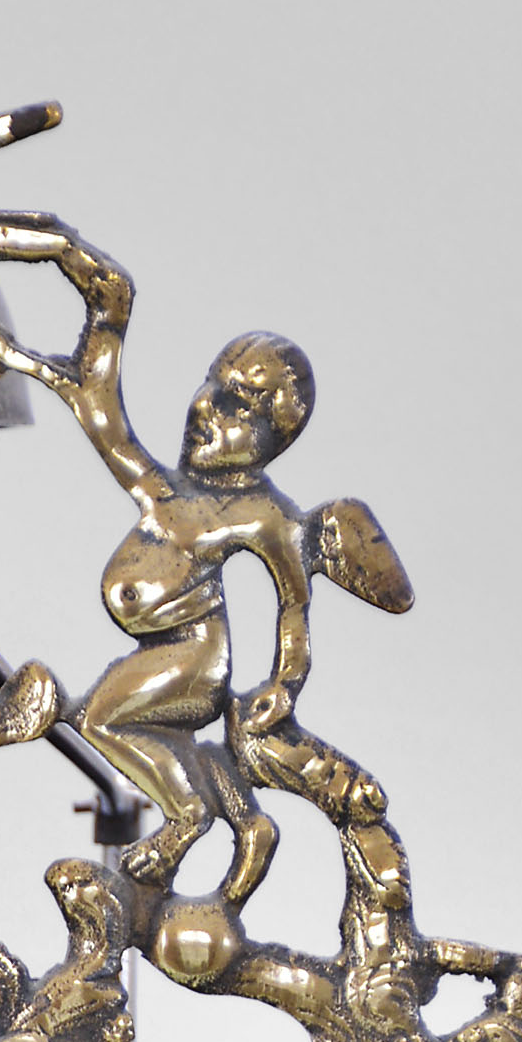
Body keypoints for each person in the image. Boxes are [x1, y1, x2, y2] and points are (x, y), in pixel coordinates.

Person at [48, 247, 411, 902]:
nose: (208, 408)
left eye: (240, 407)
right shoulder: (170, 490)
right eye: (212, 386)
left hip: (195, 657)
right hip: (169, 650)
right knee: (112, 722)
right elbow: (114, 435)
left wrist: (285, 685)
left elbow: (294, 606)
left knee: (98, 718)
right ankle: (241, 816)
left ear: (276, 438)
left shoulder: (267, 515)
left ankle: (185, 818)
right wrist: (94, 360)